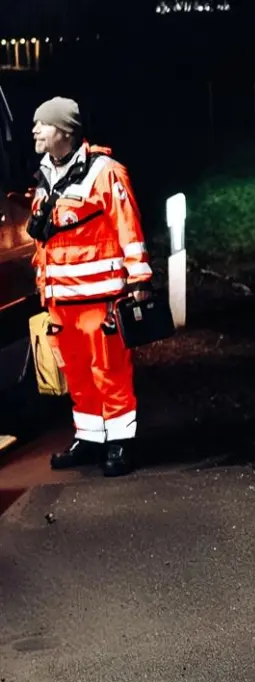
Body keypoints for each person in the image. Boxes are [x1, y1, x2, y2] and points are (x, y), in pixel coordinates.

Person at [27, 97, 152, 477]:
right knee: (77, 374)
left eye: (42, 125)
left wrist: (139, 278)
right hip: (62, 300)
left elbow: (127, 224)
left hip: (101, 297)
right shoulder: (45, 173)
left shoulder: (105, 172)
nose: (35, 130)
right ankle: (90, 437)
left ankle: (120, 442)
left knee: (109, 370)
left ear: (64, 131)